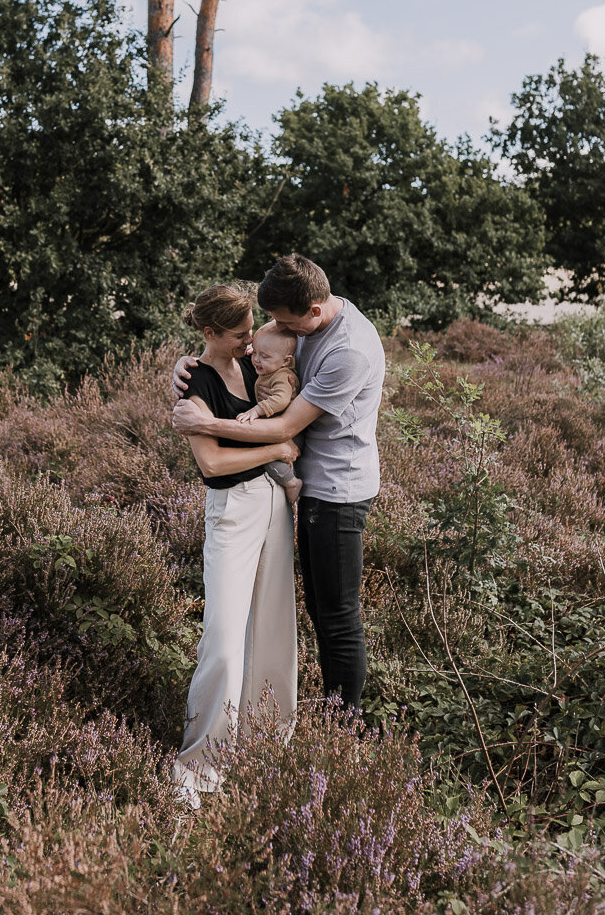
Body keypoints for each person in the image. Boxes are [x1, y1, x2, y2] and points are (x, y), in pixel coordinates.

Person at [173, 254, 385, 711]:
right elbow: (231, 364)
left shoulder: (348, 350)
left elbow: (285, 428)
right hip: (303, 488)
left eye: (283, 322)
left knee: (339, 616)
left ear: (313, 309)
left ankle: (344, 724)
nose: (270, 333)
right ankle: (319, 713)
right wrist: (189, 366)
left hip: (337, 491)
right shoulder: (305, 325)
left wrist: (203, 423)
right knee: (316, 611)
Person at [172, 283, 300, 805]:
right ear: (209, 333)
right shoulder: (193, 383)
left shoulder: (255, 364)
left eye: (253, 330)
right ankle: (199, 764)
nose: (251, 342)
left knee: (273, 631)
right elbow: (213, 464)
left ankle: (265, 747)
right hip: (232, 510)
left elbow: (289, 379)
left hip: (275, 507)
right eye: (240, 333)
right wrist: (279, 445)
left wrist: (280, 444)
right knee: (224, 637)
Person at [237, 321, 303, 504]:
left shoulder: (282, 377)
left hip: (289, 433)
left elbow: (281, 399)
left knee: (270, 457)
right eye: (255, 352)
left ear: (286, 361)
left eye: (264, 356)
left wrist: (257, 410)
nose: (256, 359)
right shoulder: (269, 368)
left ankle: (292, 483)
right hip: (279, 428)